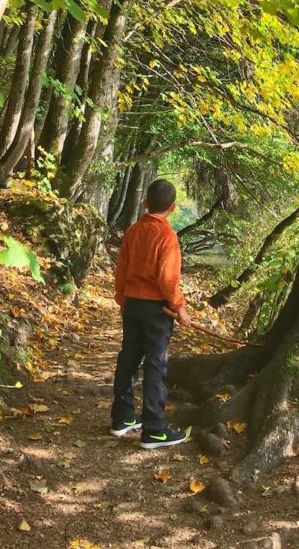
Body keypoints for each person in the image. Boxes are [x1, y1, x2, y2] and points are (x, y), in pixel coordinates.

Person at [110, 178, 191, 449]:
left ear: (145, 204)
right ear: (174, 207)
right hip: (157, 309)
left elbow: (121, 270)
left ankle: (122, 418)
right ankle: (154, 429)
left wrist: (122, 298)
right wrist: (179, 308)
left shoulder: (132, 232)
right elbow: (167, 280)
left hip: (131, 304)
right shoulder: (167, 237)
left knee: (129, 358)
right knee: (156, 364)